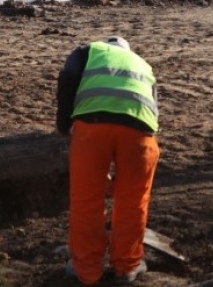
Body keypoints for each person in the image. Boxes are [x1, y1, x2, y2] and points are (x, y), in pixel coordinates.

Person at [56, 36, 159, 285]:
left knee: (87, 198)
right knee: (133, 199)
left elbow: (68, 78)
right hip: (141, 130)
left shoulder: (87, 52)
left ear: (106, 45)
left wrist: (63, 125)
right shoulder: (143, 65)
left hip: (92, 126)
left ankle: (87, 270)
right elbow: (153, 111)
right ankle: (127, 266)